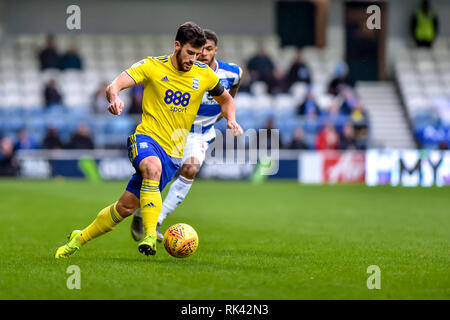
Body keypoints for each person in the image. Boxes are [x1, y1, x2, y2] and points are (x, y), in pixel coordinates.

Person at [55, 22, 242, 259]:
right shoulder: (152, 66)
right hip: (146, 138)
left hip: (174, 151)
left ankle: (78, 239)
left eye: (197, 54)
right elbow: (116, 85)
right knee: (152, 167)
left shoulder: (204, 74)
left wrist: (231, 119)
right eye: (189, 53)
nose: (193, 59)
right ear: (177, 46)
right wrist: (114, 99)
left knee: (125, 207)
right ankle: (150, 234)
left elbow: (227, 100)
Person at [129, 29, 243, 242]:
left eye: (209, 49)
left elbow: (230, 96)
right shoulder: (186, 71)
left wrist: (229, 118)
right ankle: (140, 212)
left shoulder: (232, 73)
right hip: (174, 131)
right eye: (201, 50)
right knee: (158, 176)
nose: (204, 54)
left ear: (215, 50)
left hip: (201, 133)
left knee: (190, 168)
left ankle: (158, 220)